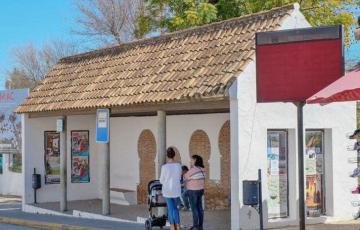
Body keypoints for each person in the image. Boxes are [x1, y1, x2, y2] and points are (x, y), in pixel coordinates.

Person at [160, 147, 182, 230]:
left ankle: (172, 226)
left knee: (170, 208)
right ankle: (178, 226)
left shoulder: (164, 167)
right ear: (174, 155)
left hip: (167, 191)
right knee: (175, 208)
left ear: (167, 156)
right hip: (176, 190)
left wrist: (165, 181)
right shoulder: (178, 165)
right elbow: (180, 177)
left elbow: (161, 180)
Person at [184, 155, 205, 230]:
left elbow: (185, 176)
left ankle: (195, 226)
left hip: (193, 191)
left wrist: (189, 178)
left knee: (194, 209)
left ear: (195, 160)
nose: (190, 161)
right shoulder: (202, 169)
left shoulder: (193, 170)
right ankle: (200, 226)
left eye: (191, 160)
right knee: (200, 208)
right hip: (200, 190)